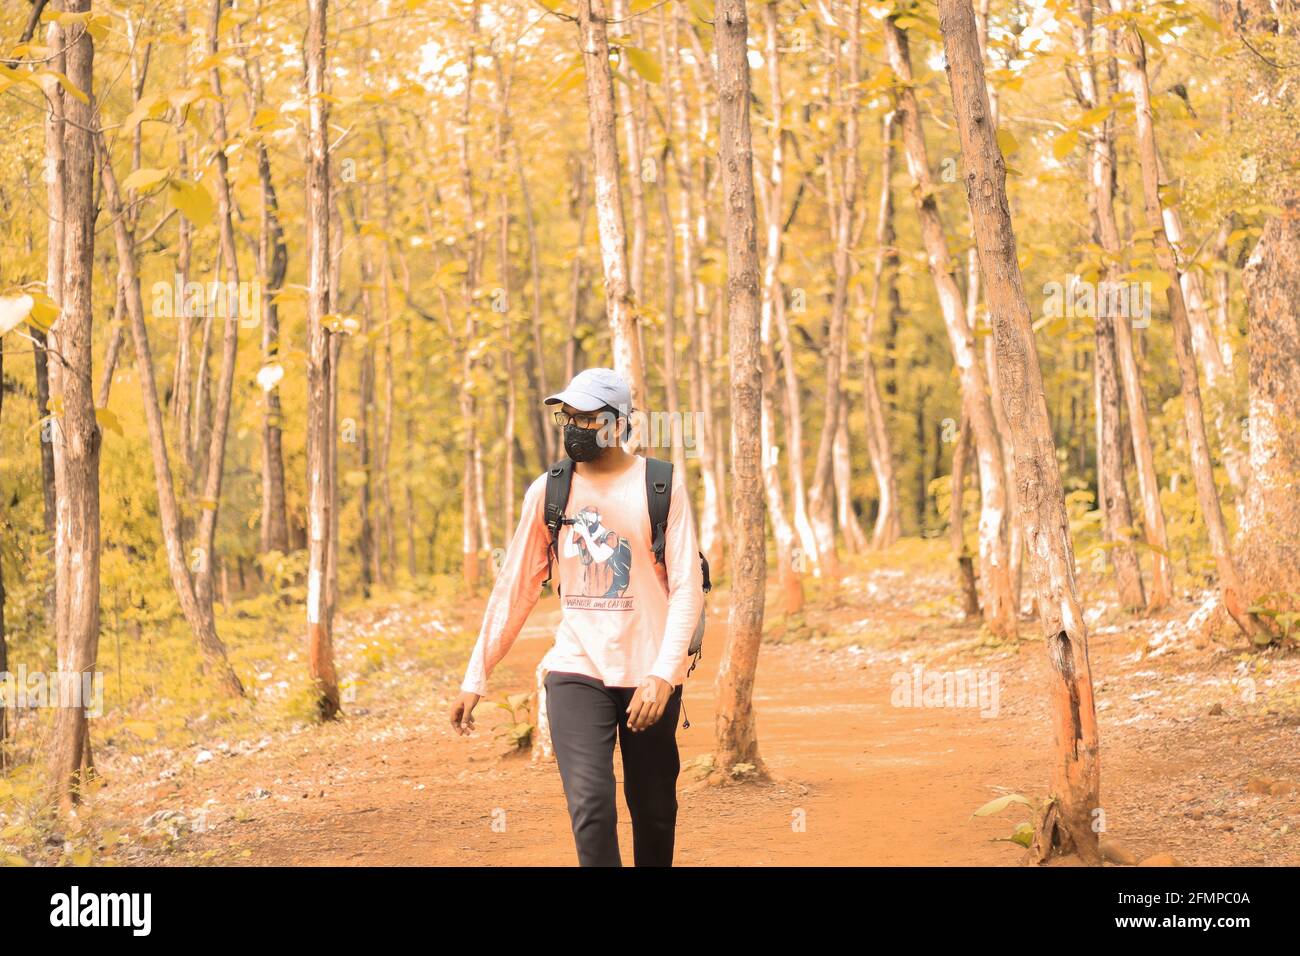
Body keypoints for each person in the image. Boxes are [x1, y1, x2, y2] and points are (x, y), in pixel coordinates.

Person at [449, 367, 705, 867]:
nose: (573, 426)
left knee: (653, 811)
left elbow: (686, 586)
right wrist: (475, 675)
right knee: (591, 806)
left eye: (587, 418)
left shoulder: (661, 485)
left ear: (618, 423)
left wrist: (663, 675)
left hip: (649, 672)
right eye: (568, 415)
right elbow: (516, 587)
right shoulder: (549, 490)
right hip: (576, 668)